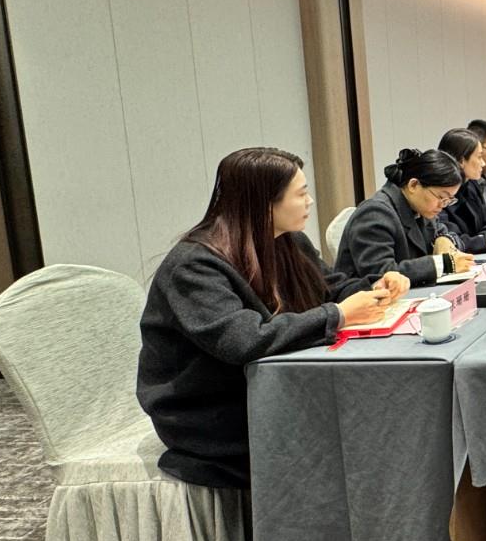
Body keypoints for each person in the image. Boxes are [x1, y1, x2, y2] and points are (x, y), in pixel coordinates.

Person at [137, 147, 407, 488]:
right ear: (265, 203)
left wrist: (375, 288)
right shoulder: (194, 265)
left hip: (270, 386)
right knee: (357, 430)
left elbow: (331, 288)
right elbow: (244, 340)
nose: (310, 201)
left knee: (377, 415)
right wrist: (338, 315)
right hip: (208, 413)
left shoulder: (288, 242)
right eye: (301, 193)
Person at [336, 148, 473, 285]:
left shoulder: (421, 208)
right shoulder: (374, 213)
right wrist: (444, 264)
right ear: (413, 185)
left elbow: (443, 231)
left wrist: (444, 239)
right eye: (441, 197)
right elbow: (382, 274)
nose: (442, 205)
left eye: (448, 200)